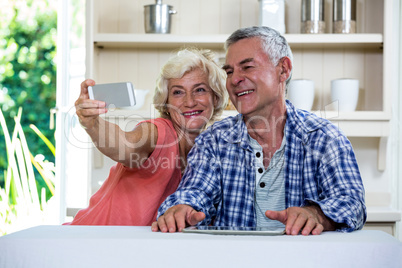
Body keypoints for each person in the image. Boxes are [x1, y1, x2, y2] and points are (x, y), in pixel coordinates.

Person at [153, 26, 367, 235]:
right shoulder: (213, 141)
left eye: (247, 67)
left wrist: (317, 215)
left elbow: (352, 203)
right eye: (229, 71)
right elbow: (195, 192)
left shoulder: (324, 138)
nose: (235, 79)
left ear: (283, 69)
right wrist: (182, 209)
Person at [65, 48, 228, 226]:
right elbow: (127, 145)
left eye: (200, 90)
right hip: (88, 240)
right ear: (166, 103)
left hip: (129, 248)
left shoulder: (208, 150)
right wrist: (92, 123)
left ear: (216, 98)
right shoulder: (158, 132)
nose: (189, 101)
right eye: (178, 92)